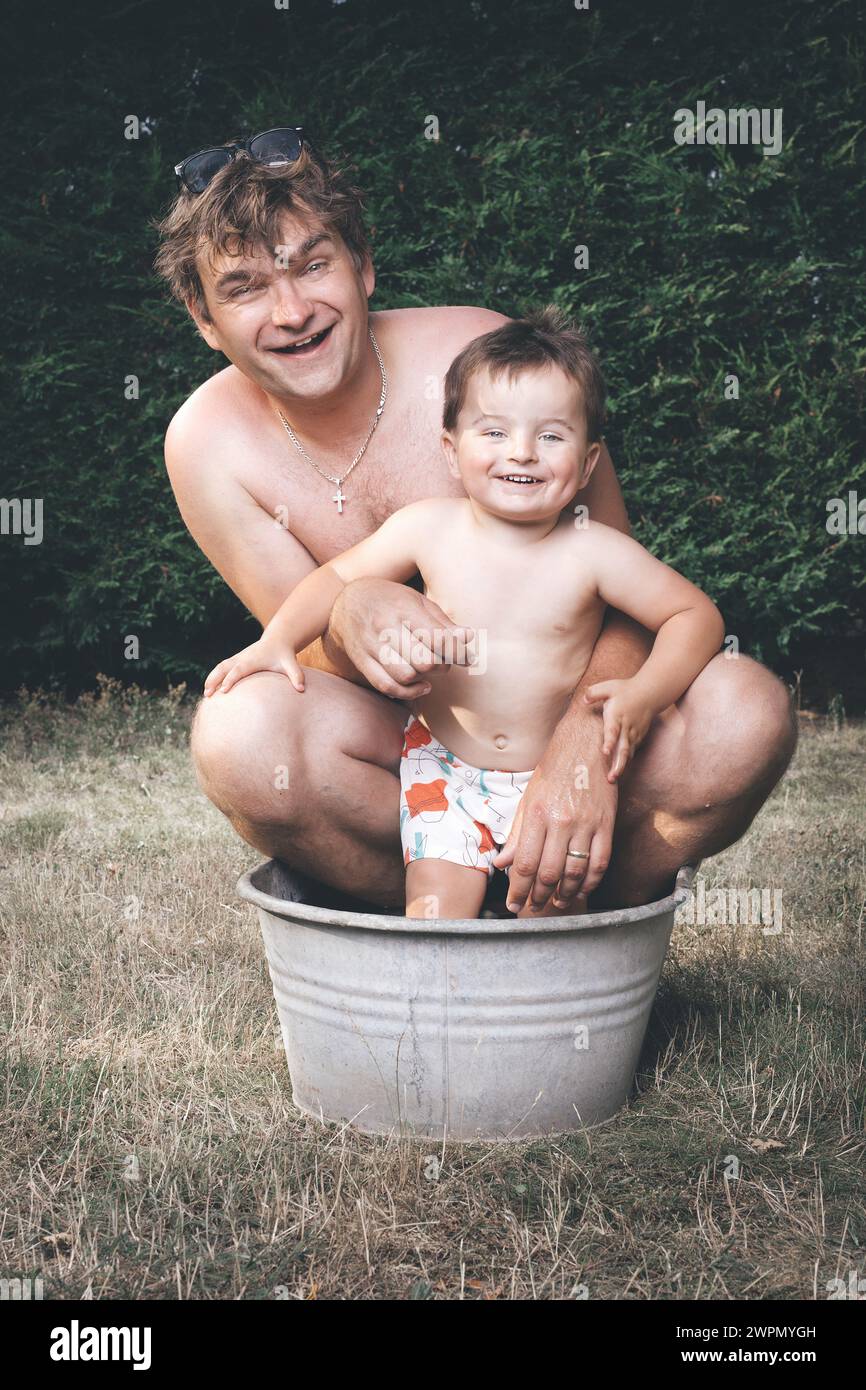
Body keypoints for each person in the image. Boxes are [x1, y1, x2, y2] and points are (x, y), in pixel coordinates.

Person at [154, 128, 797, 915]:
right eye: (246, 286)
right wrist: (353, 609)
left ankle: (593, 911)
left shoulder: (475, 359)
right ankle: (449, 918)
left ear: (362, 265)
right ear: (203, 316)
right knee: (238, 736)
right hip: (420, 760)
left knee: (747, 709)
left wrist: (583, 748)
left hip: (571, 713)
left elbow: (624, 595)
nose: (292, 311)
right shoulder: (204, 445)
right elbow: (305, 660)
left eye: (312, 264)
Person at [203, 309, 727, 920]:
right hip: (443, 770)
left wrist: (643, 692)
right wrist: (277, 640)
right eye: (495, 433)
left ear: (588, 464)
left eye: (552, 436)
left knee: (546, 924)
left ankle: (547, 1006)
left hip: (547, 779)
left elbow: (695, 615)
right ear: (452, 451)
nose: (523, 453)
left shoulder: (596, 551)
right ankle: (428, 1007)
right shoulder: (430, 526)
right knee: (432, 918)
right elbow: (339, 579)